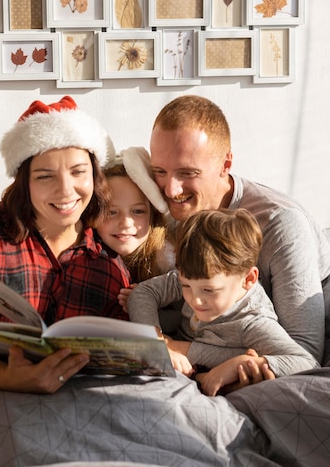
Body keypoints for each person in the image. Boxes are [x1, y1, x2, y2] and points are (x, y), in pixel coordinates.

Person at [0, 96, 131, 398]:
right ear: (24, 182)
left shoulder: (108, 256)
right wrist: (9, 379)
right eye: (45, 176)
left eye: (78, 172)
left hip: (81, 407)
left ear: (95, 176)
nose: (66, 190)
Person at [136, 94, 330, 368]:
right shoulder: (164, 206)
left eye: (188, 173)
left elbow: (304, 352)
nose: (171, 190)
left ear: (225, 165)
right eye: (160, 171)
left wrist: (180, 348)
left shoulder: (280, 224)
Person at [127, 208, 320, 396]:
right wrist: (155, 341)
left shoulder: (252, 323)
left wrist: (241, 363)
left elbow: (307, 363)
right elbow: (144, 292)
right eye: (186, 286)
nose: (195, 299)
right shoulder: (197, 275)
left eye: (209, 290)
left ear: (248, 280)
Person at [96, 149, 177, 323]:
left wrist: (145, 305)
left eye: (138, 211)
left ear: (152, 215)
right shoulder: (89, 251)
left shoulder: (165, 258)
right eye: (112, 212)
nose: (125, 222)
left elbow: (186, 317)